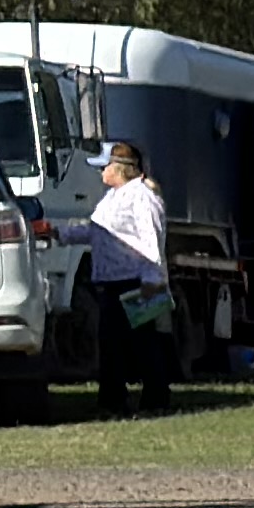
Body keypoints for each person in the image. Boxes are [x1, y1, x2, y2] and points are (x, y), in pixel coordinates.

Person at [82, 140, 176, 416]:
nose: (101, 172)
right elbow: (99, 233)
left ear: (119, 168)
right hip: (112, 282)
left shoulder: (142, 198)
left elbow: (151, 238)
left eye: (105, 167)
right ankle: (113, 399)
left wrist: (151, 277)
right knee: (112, 344)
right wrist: (60, 234)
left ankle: (156, 398)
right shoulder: (111, 198)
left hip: (135, 282)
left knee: (144, 343)